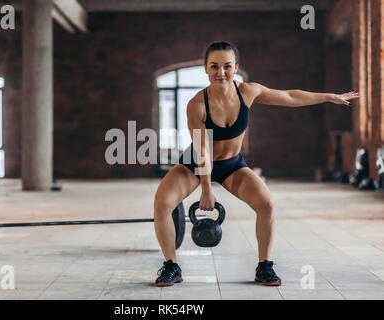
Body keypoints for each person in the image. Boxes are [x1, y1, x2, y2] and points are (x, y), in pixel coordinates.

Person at [153, 41, 359, 287]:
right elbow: (202, 150)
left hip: (231, 165)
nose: (221, 72)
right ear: (206, 69)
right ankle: (171, 266)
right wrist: (206, 190)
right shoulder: (197, 104)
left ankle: (264, 266)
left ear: (236, 67)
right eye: (214, 66)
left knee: (267, 204)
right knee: (162, 204)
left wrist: (328, 97)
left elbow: (289, 96)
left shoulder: (248, 92)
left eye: (227, 66)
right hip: (195, 164)